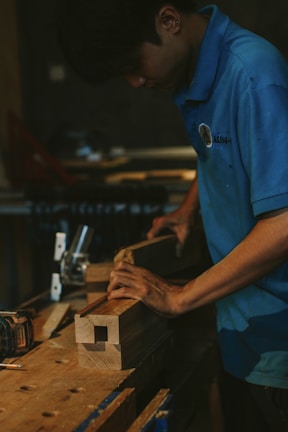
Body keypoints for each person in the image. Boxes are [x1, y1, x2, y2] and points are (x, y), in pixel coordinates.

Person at [58, 1, 288, 430]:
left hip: (278, 345)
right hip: (239, 328)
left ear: (168, 20)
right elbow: (226, 152)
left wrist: (178, 297)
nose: (135, 81)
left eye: (133, 65)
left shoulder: (253, 76)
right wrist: (187, 210)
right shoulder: (197, 73)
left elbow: (284, 225)